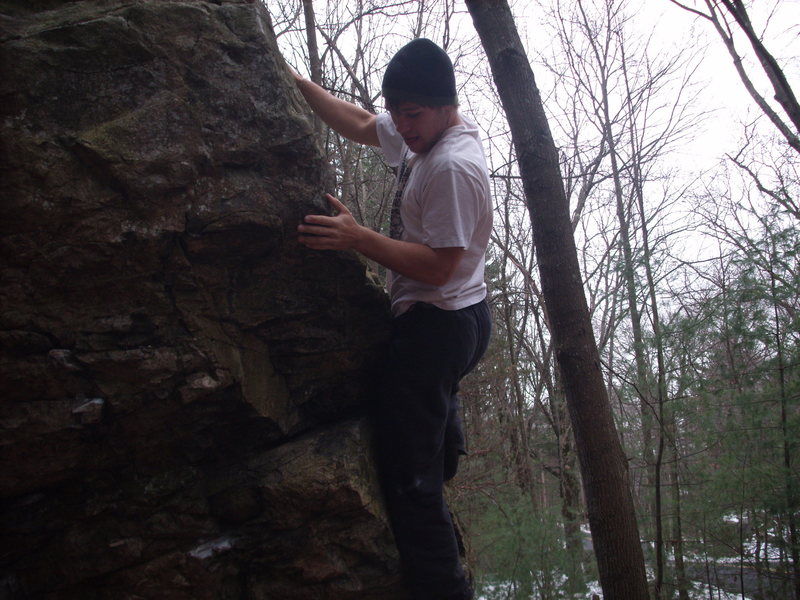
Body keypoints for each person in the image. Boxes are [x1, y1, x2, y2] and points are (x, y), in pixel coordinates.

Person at [291, 38, 492, 600]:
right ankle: (442, 448)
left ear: (444, 104)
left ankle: (444, 590)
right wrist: (299, 84)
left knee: (410, 481)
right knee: (432, 418)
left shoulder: (453, 165)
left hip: (440, 324)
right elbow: (358, 122)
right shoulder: (424, 136)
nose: (401, 126)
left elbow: (438, 267)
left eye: (412, 114)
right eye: (397, 112)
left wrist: (358, 239)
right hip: (461, 316)